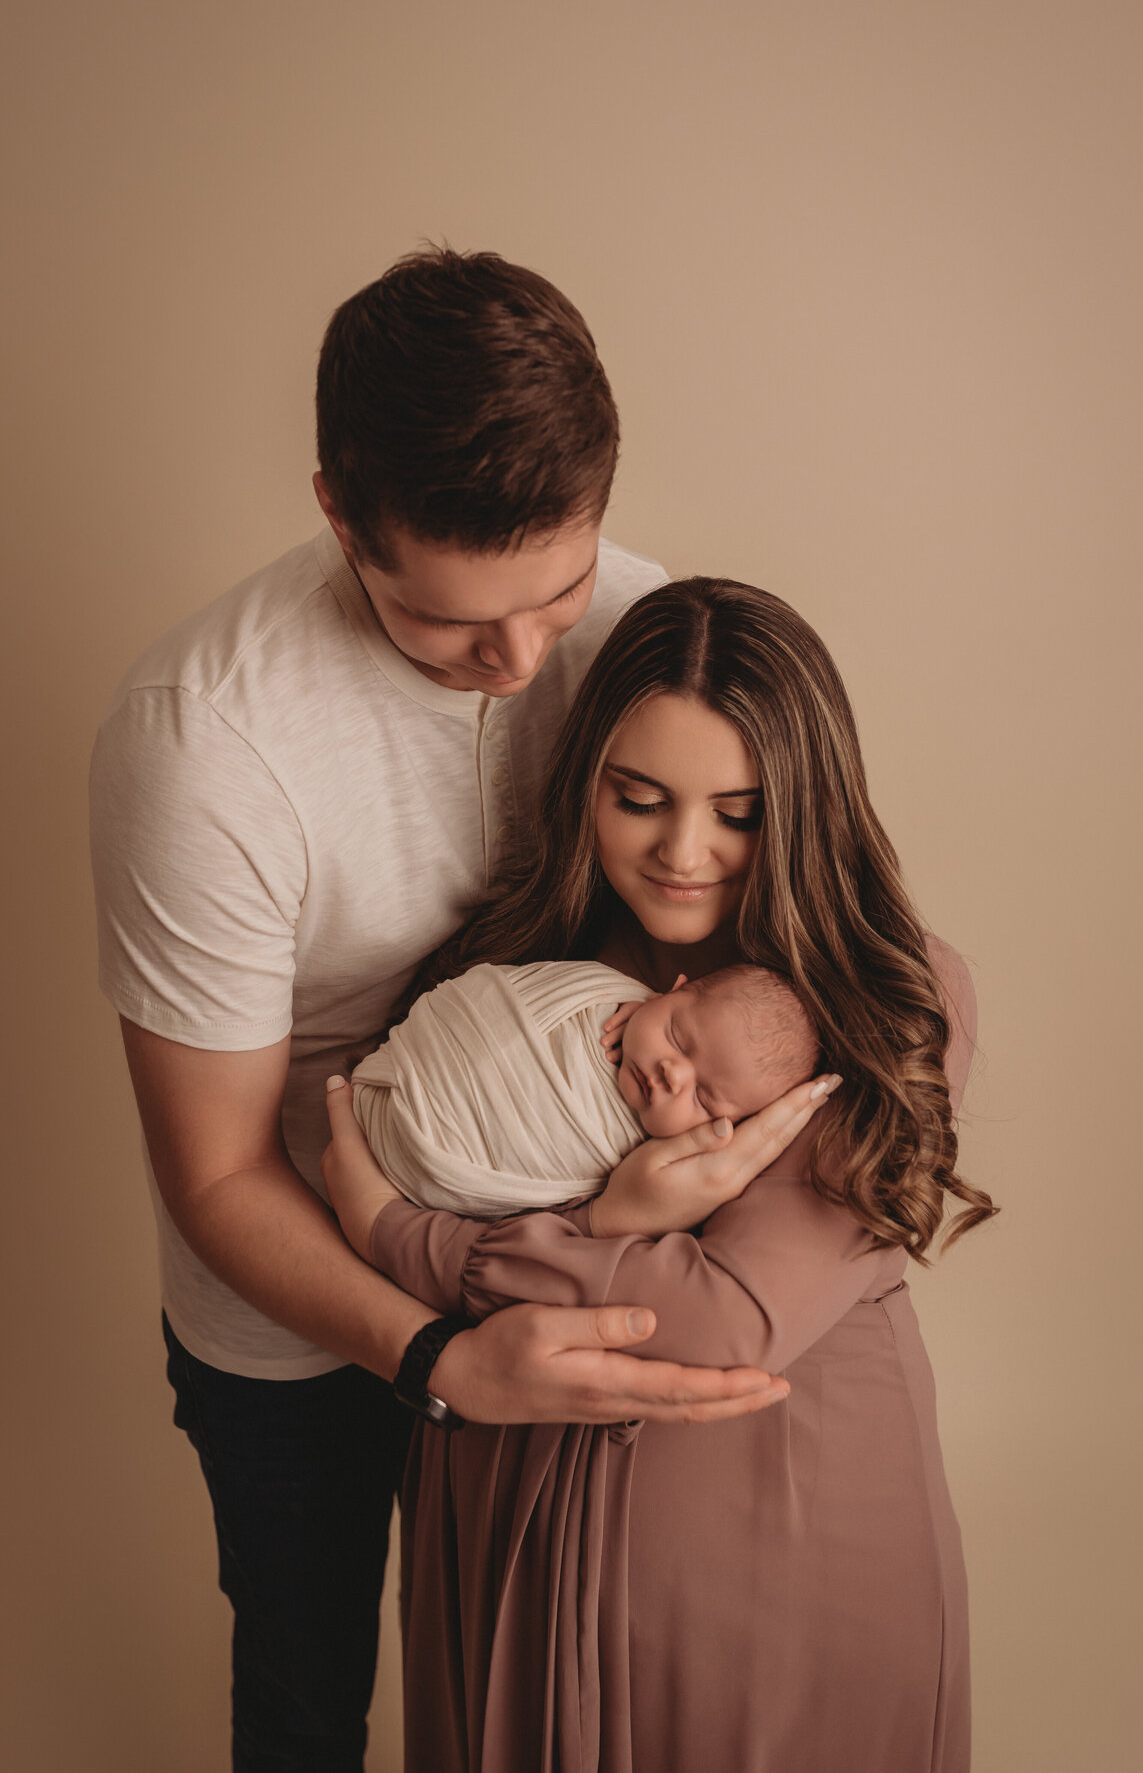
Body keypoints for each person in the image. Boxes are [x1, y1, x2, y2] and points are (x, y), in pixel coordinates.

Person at [89, 252, 817, 1772]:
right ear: (340, 514)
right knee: (307, 1698)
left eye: (559, 592)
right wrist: (432, 1356)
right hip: (301, 1313)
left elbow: (762, 943)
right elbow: (217, 1167)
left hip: (564, 1250)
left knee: (535, 1692)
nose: (525, 661)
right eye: (451, 628)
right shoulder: (201, 744)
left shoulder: (639, 624)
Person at [321, 575, 997, 1773]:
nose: (684, 855)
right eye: (639, 799)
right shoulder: (517, 969)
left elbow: (721, 1318)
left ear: (803, 808)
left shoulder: (883, 1000)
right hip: (504, 1512)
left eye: (738, 814)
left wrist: (423, 1237)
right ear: (586, 777)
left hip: (773, 1554)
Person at [342, 959, 826, 1220]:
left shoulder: (659, 1168)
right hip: (398, 1075)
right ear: (670, 989)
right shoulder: (599, 995)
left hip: (412, 1177)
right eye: (677, 1036)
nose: (673, 1074)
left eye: (703, 1099)